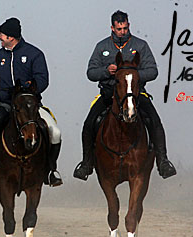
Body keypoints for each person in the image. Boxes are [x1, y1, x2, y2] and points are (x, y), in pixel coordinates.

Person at [73, 10, 176, 180]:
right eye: (119, 28)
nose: (123, 31)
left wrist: (131, 75)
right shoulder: (102, 46)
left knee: (154, 120)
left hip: (136, 94)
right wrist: (106, 71)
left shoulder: (141, 45)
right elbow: (91, 72)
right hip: (108, 94)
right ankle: (87, 163)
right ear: (112, 28)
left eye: (125, 28)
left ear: (129, 26)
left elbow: (153, 71)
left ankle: (163, 162)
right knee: (89, 123)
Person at [0, 17, 63, 187]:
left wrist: (30, 90)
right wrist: (1, 93)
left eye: (2, 35)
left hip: (30, 104)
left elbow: (43, 79)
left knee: (55, 132)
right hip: (6, 103)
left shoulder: (34, 54)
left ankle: (51, 171)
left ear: (11, 37)